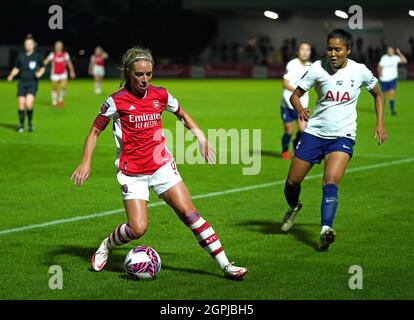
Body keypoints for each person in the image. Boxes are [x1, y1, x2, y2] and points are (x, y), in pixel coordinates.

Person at [71, 47, 248, 280]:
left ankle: (226, 266)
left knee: (190, 215)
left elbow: (182, 114)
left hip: (161, 166)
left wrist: (201, 138)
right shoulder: (116, 101)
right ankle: (105, 246)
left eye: (149, 74)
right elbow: (94, 132)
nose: (145, 80)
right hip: (132, 174)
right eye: (139, 75)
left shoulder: (161, 95)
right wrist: (86, 163)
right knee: (138, 228)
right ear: (128, 73)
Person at [280, 29, 388, 250]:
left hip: (342, 136)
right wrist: (300, 109)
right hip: (314, 133)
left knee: (330, 181)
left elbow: (378, 94)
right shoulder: (317, 68)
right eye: (329, 48)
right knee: (292, 183)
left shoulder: (360, 71)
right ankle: (294, 206)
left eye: (337, 49)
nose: (332, 53)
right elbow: (295, 95)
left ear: (348, 49)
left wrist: (380, 123)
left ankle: (325, 229)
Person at [280, 42, 312, 160]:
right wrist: (298, 91)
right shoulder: (292, 64)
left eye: (307, 50)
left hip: (302, 104)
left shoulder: (312, 66)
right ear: (298, 51)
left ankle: (295, 146)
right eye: (302, 49)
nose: (304, 52)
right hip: (287, 103)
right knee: (289, 131)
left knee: (303, 130)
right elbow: (285, 83)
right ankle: (284, 150)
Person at [7, 34, 45, 132]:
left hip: (32, 83)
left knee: (28, 104)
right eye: (27, 44)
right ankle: (21, 125)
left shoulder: (37, 56)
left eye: (30, 44)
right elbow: (17, 67)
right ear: (25, 45)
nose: (28, 45)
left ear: (33, 45)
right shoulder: (20, 56)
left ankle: (30, 123)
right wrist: (11, 75)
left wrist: (40, 73)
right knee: (20, 104)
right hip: (22, 83)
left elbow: (43, 67)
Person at [43, 41, 76, 108]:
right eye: (57, 45)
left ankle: (60, 99)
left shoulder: (65, 54)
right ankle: (54, 101)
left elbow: (69, 63)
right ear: (55, 47)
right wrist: (41, 66)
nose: (58, 46)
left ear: (62, 46)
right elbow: (46, 61)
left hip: (63, 73)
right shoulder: (52, 54)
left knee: (63, 87)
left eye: (60, 45)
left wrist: (72, 71)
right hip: (54, 74)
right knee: (54, 87)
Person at [377, 46, 407, 115]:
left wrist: (399, 53)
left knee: (392, 94)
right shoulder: (384, 58)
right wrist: (380, 73)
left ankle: (392, 110)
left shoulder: (396, 58)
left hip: (392, 79)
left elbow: (405, 61)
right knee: (383, 96)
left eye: (391, 50)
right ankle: (381, 110)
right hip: (384, 79)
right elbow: (379, 67)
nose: (390, 51)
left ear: (393, 51)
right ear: (387, 51)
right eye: (389, 50)